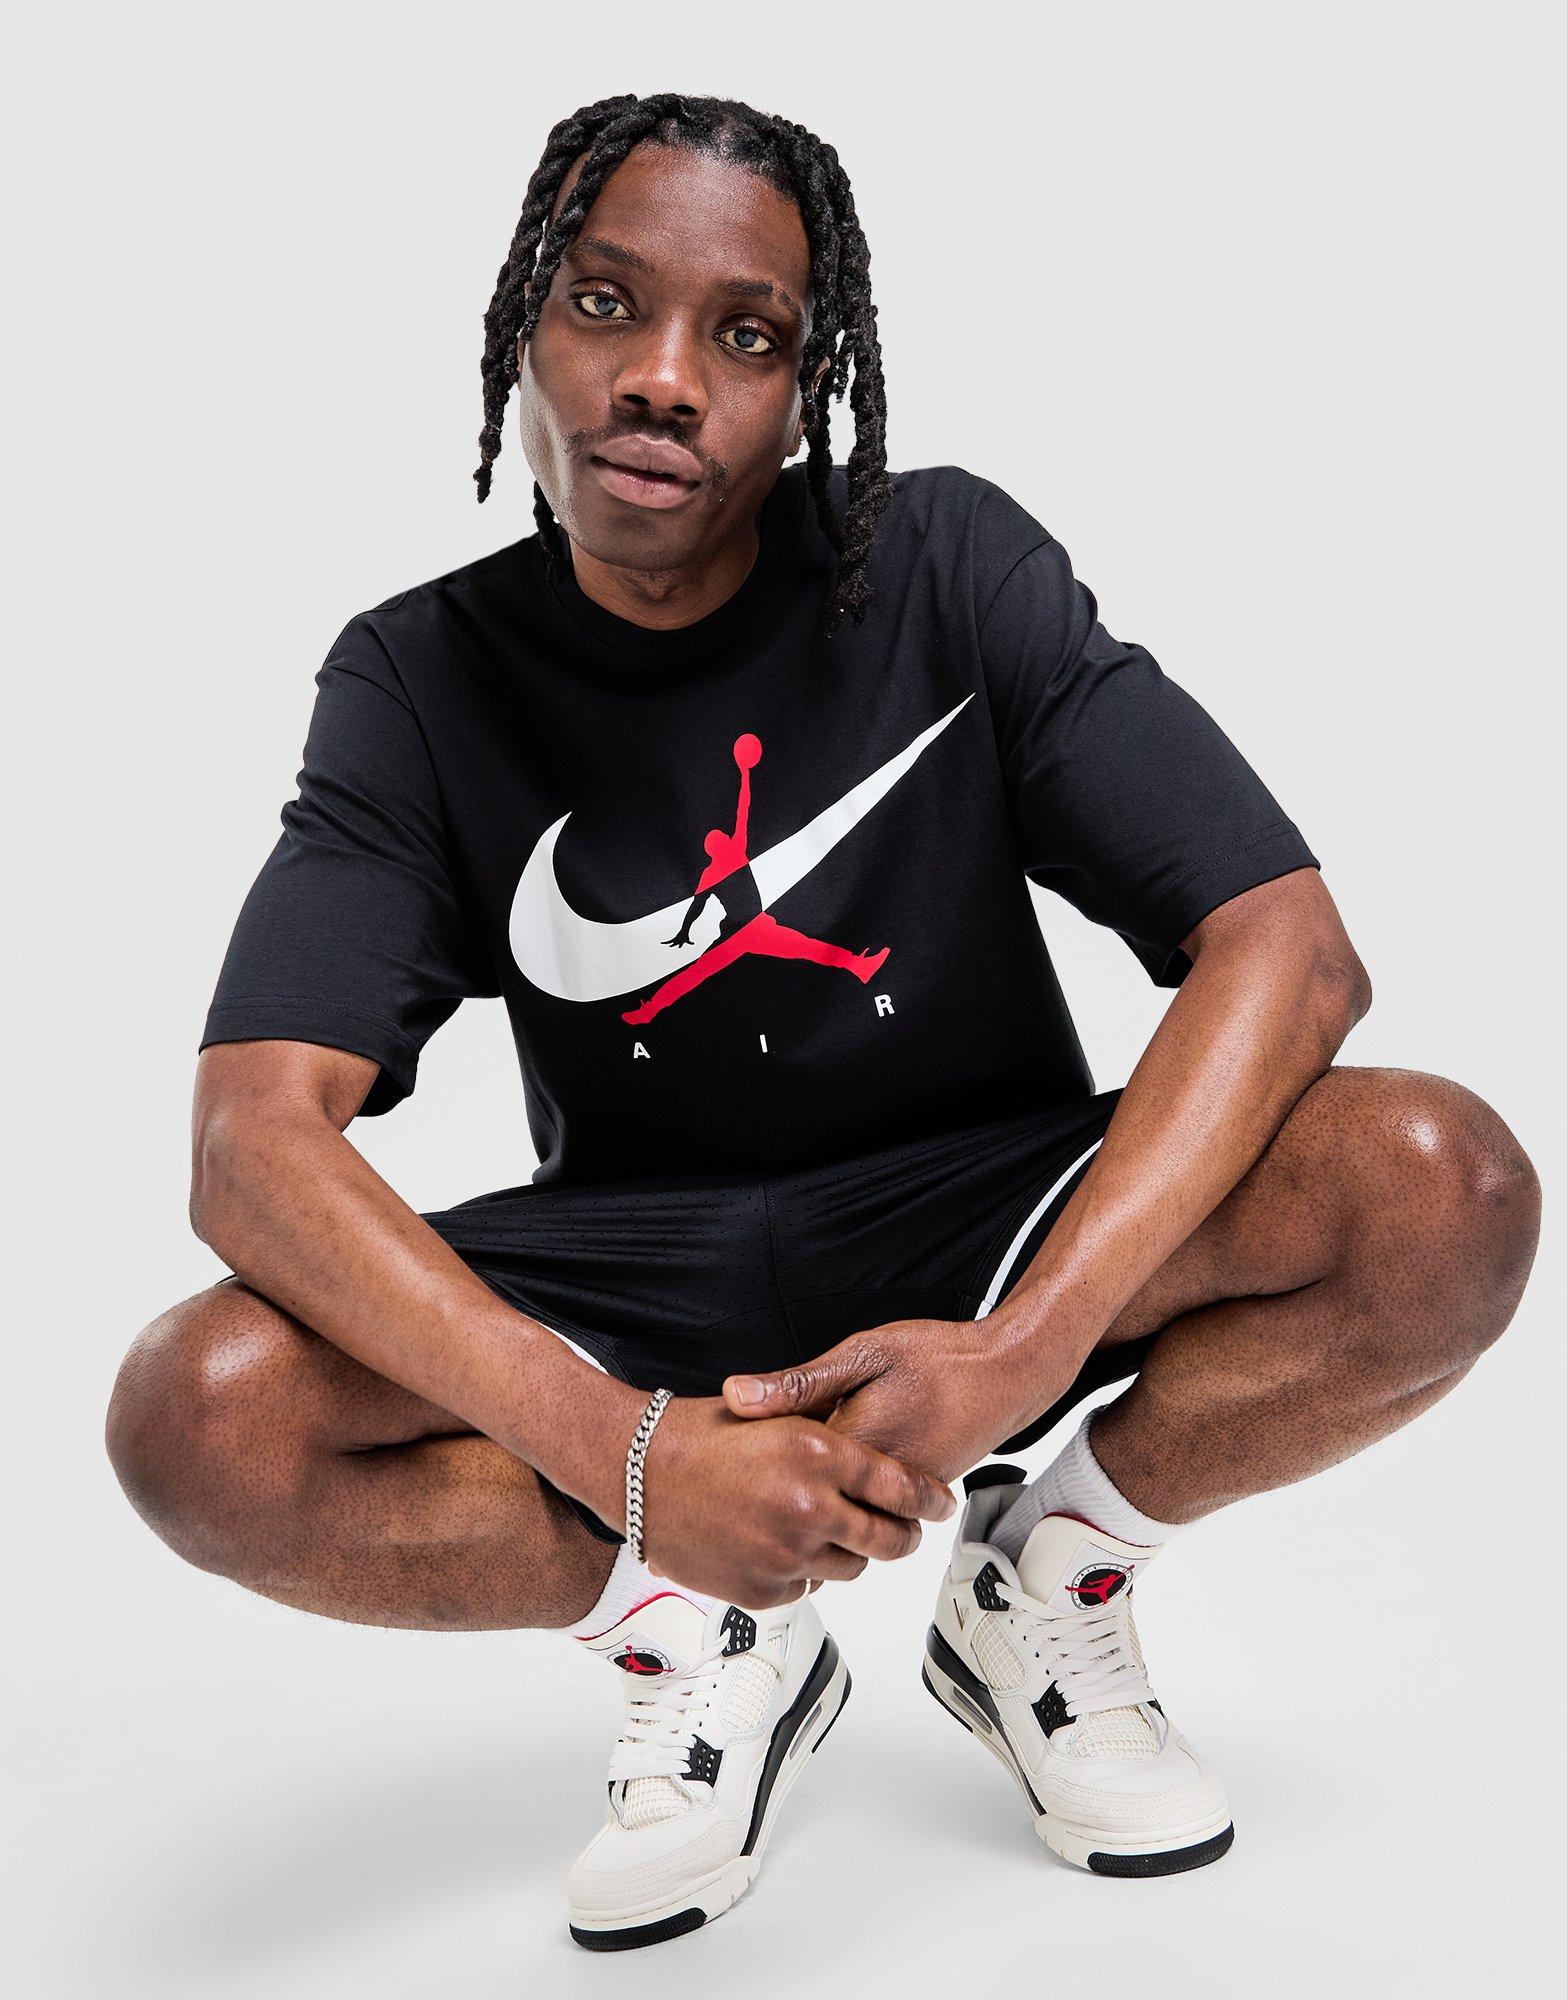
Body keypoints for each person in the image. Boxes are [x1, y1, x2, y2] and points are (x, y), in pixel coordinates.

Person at [104, 92, 1541, 1951]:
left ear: (807, 391)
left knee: (1435, 1186)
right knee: (201, 1418)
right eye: (605, 303)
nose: (663, 377)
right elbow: (250, 1143)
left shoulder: (941, 560)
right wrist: (628, 1460)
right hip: (641, 1272)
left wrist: (1023, 1350)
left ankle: (1048, 1582)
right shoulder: (417, 675)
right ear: (521, 327)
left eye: (747, 335)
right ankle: (693, 1630)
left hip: (982, 1219)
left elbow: (1287, 947)